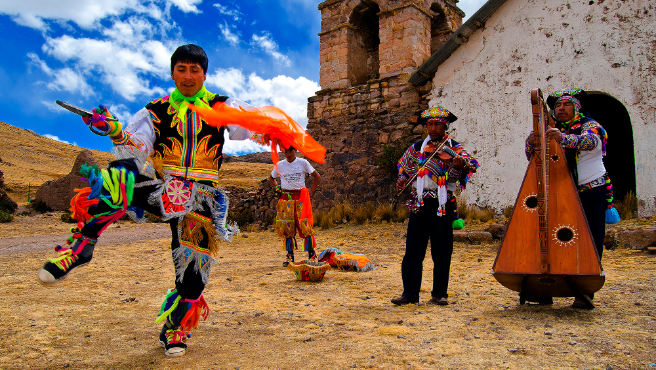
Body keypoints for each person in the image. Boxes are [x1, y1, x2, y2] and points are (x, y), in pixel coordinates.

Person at [38, 44, 263, 357]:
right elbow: (133, 149)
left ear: (204, 74)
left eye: (194, 70)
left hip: (201, 200)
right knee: (123, 170)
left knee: (193, 280)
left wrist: (276, 131)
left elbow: (253, 122)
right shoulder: (154, 111)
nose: (187, 76)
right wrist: (115, 131)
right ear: (172, 73)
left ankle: (174, 327)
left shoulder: (221, 106)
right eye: (181, 69)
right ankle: (82, 245)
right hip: (165, 191)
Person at [525, 88, 619, 308]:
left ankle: (585, 292)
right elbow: (532, 156)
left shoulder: (589, 125)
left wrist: (564, 138)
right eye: (557, 105)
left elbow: (592, 142)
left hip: (589, 191)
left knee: (590, 240)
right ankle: (548, 288)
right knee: (554, 240)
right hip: (559, 192)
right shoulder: (549, 128)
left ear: (576, 107)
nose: (561, 108)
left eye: (566, 104)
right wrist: (532, 141)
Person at [391, 107, 479, 306]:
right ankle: (410, 294)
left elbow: (461, 173)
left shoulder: (454, 148)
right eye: (429, 124)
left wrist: (457, 167)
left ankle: (439, 293)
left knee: (441, 251)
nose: (432, 128)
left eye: (436, 124)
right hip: (419, 203)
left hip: (442, 204)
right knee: (413, 251)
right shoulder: (417, 147)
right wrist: (402, 179)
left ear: (445, 125)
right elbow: (404, 167)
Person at [267, 146, 321, 266]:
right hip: (285, 199)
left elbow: (317, 176)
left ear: (295, 151)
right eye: (285, 152)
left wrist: (311, 190)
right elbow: (271, 177)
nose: (288, 154)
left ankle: (312, 254)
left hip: (301, 198)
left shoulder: (303, 163)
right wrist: (277, 186)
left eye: (290, 151)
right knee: (287, 228)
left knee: (305, 225)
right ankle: (290, 256)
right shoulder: (279, 165)